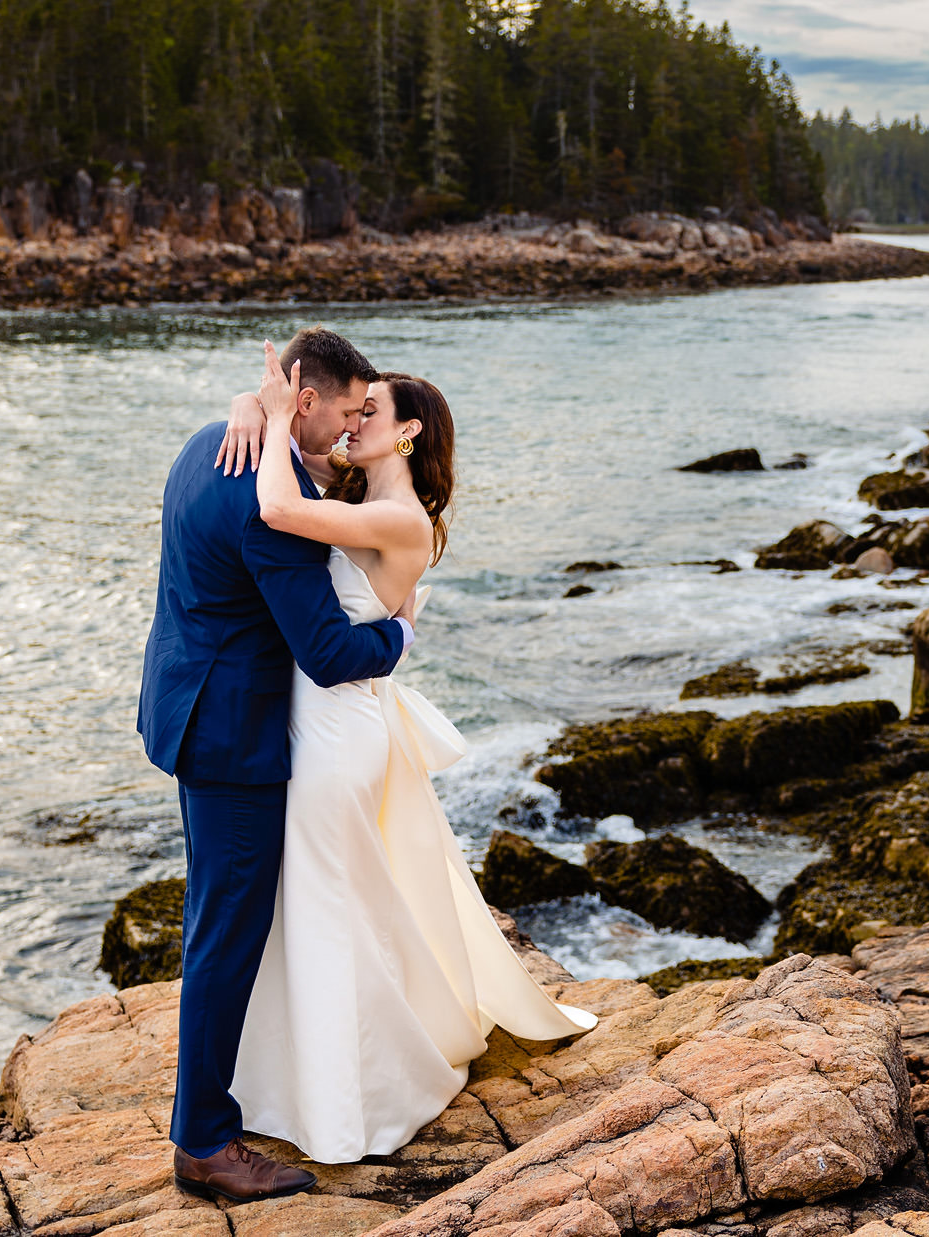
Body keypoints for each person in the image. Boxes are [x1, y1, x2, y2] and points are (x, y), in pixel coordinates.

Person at [213, 338, 596, 1168]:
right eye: (351, 409)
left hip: (334, 735)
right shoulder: (354, 492)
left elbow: (275, 509)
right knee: (319, 904)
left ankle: (348, 1101)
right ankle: (293, 1083)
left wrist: (275, 414)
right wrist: (253, 408)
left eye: (370, 412)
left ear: (410, 431)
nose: (353, 422)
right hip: (314, 723)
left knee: (327, 908)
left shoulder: (398, 517)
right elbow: (295, 478)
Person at [137, 326, 413, 1202]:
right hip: (234, 741)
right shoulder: (274, 505)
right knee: (227, 933)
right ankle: (205, 1142)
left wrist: (258, 413)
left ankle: (211, 1103)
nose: (346, 429)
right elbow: (329, 652)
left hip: (182, 702)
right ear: (303, 400)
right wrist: (401, 634)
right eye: (340, 412)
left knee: (209, 917)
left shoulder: (204, 447)